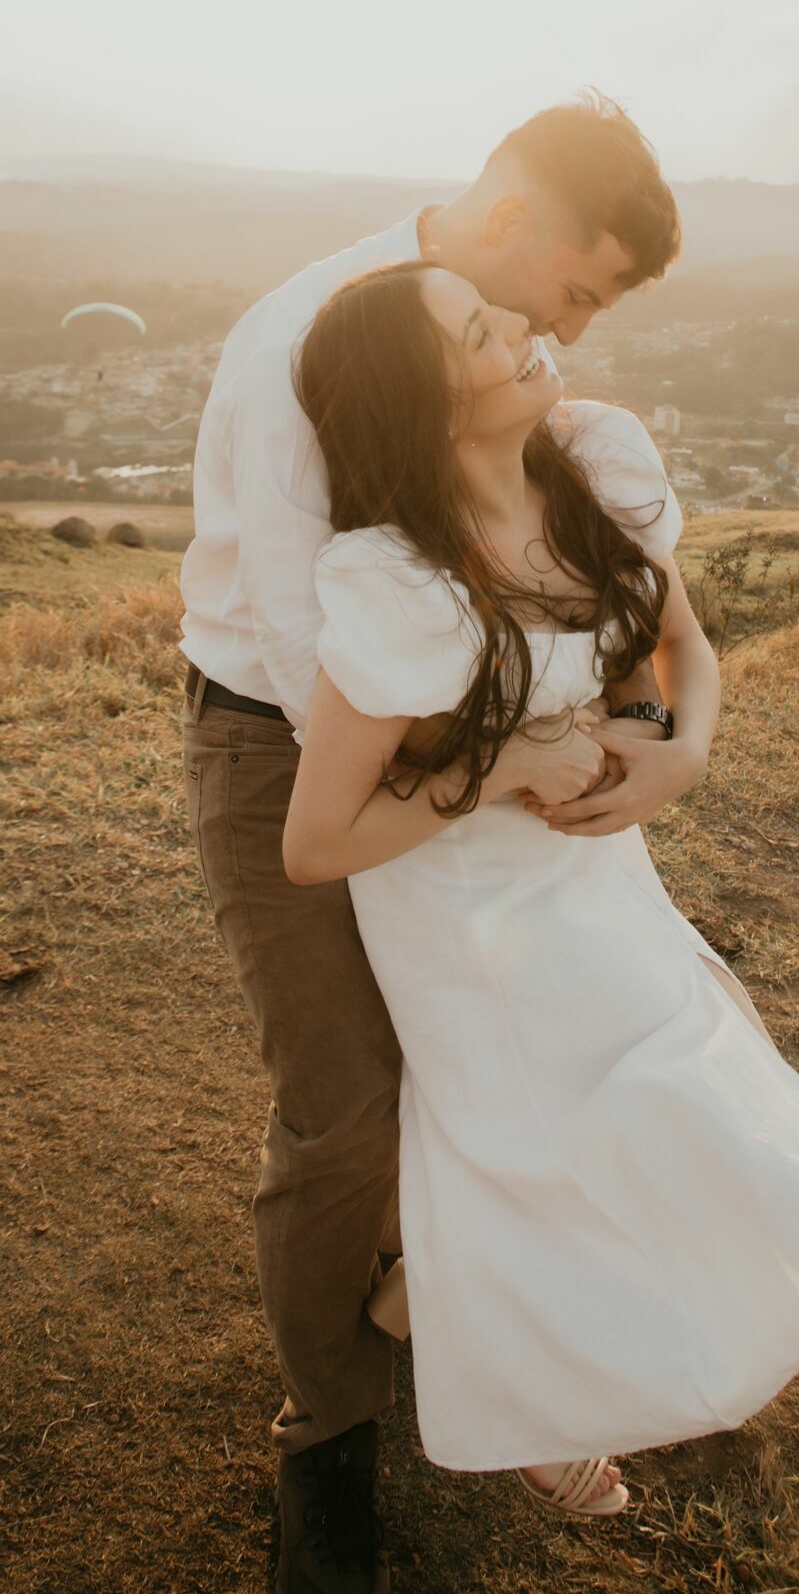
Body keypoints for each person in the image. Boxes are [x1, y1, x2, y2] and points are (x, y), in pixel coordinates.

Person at [281, 259, 799, 1534]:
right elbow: (318, 839)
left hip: (598, 879)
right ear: (427, 408)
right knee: (536, 1159)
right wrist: (500, 765)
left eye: (499, 314)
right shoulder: (398, 583)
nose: (529, 333)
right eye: (484, 335)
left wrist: (686, 750)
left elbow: (682, 647)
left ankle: (418, 1307)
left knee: (673, 1088)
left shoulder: (592, 464)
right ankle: (524, 1397)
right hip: (464, 918)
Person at [179, 94, 705, 1593]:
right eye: (578, 294)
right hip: (294, 740)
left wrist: (647, 728)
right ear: (503, 224)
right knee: (346, 1106)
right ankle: (328, 1434)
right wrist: (507, 770)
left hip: (464, 731)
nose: (573, 335)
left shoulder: (494, 358)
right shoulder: (313, 341)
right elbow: (303, 650)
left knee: (494, 1062)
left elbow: (553, 553)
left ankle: (451, 1319)